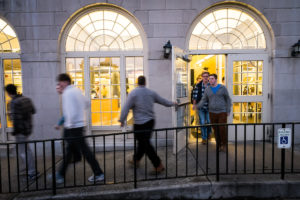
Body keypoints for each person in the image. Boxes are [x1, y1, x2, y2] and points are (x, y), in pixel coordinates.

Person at [119, 76, 176, 173]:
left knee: (145, 144)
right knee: (142, 143)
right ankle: (136, 160)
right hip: (150, 122)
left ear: (137, 82)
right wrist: (173, 103)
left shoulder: (133, 93)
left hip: (139, 123)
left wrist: (122, 120)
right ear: (145, 83)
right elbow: (163, 101)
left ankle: (158, 165)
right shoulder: (151, 93)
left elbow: (126, 107)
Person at [55, 73, 104, 184]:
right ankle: (60, 174)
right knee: (73, 151)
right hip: (79, 125)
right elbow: (87, 103)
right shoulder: (77, 90)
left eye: (60, 82)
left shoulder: (67, 93)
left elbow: (70, 112)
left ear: (65, 82)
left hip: (72, 127)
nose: (58, 85)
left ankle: (99, 173)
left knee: (84, 152)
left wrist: (70, 125)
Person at [5, 84, 38, 180]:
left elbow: (15, 119)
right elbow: (33, 111)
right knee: (24, 150)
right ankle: (25, 169)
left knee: (24, 152)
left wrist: (15, 131)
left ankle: (32, 172)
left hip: (20, 131)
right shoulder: (26, 99)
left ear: (8, 93)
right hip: (28, 128)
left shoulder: (13, 102)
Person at [197, 74, 232, 152]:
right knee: (215, 130)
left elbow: (228, 99)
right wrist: (198, 106)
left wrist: (228, 110)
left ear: (216, 79)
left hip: (222, 112)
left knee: (222, 129)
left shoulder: (222, 88)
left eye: (212, 78)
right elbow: (203, 99)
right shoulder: (207, 89)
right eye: (209, 79)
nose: (210, 80)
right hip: (212, 112)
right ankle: (219, 145)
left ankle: (224, 145)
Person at [192, 72, 211, 144]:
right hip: (201, 107)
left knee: (209, 122)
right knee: (202, 122)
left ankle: (209, 132)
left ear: (208, 77)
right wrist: (194, 104)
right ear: (202, 77)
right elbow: (195, 96)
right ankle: (204, 138)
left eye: (207, 76)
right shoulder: (198, 85)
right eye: (204, 76)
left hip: (209, 107)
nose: (205, 78)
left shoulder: (211, 85)